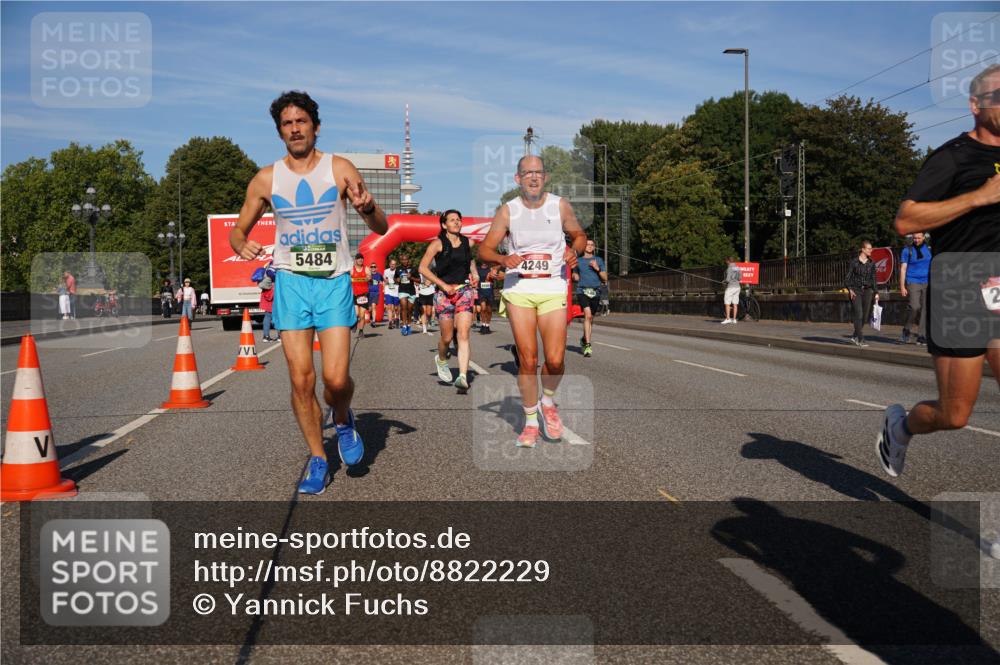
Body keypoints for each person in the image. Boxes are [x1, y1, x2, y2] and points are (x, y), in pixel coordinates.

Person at [229, 90, 388, 495]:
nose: (295, 129)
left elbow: (382, 228)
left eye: (302, 121)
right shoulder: (266, 179)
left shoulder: (340, 169)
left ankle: (343, 417)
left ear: (315, 126)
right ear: (279, 131)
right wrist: (239, 244)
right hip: (291, 284)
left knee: (335, 379)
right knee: (302, 380)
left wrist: (368, 207)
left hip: (333, 281)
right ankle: (318, 457)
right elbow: (236, 231)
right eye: (287, 123)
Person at [878, 64, 1000, 501]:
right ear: (976, 105)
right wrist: (979, 197)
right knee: (955, 414)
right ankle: (901, 425)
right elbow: (906, 220)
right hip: (961, 285)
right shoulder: (953, 157)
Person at [478, 155, 587, 447]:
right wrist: (502, 257)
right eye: (527, 173)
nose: (534, 177)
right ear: (518, 179)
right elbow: (485, 250)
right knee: (529, 359)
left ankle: (547, 402)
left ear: (546, 177)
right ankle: (529, 423)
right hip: (519, 289)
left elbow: (578, 234)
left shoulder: (559, 205)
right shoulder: (508, 211)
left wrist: (573, 249)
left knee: (555, 359)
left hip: (553, 287)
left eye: (538, 172)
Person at [420, 210, 478, 393]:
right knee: (446, 337)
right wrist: (443, 285)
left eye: (459, 220)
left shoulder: (468, 242)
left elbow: (469, 261)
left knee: (463, 333)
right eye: (452, 220)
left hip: (464, 291)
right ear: (444, 225)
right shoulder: (437, 244)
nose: (457, 222)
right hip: (444, 294)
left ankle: (462, 376)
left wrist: (474, 273)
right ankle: (442, 359)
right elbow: (422, 267)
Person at [573, 239, 608, 356]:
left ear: (594, 247)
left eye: (592, 245)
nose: (589, 246)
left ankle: (584, 339)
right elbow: (575, 274)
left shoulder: (598, 260)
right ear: (584, 247)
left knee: (590, 319)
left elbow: (605, 278)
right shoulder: (578, 261)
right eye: (587, 244)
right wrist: (575, 276)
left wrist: (597, 268)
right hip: (582, 291)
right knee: (587, 315)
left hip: (595, 292)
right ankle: (588, 345)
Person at [899, 233, 931, 345]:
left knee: (925, 309)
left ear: (923, 237)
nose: (916, 240)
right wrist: (902, 286)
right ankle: (906, 329)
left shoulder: (929, 249)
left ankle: (922, 336)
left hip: (927, 282)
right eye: (915, 238)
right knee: (914, 307)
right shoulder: (907, 250)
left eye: (919, 238)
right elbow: (903, 269)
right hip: (913, 281)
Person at [843, 241, 876, 347]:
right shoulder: (854, 262)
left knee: (865, 317)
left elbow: (874, 279)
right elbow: (847, 278)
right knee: (859, 315)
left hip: (868, 291)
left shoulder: (872, 263)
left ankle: (854, 336)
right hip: (855, 291)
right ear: (863, 249)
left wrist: (876, 292)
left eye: (871, 248)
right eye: (869, 248)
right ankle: (860, 339)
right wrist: (850, 289)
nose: (871, 250)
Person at [476, 260, 501, 334]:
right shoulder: (477, 270)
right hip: (481, 291)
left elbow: (497, 277)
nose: (484, 262)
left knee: (489, 310)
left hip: (489, 291)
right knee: (483, 308)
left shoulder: (491, 269)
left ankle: (487, 325)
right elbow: (474, 278)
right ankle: (483, 325)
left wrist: (493, 277)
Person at [350, 253, 371, 338]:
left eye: (362, 258)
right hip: (355, 294)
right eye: (359, 258)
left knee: (362, 315)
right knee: (356, 313)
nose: (360, 260)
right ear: (356, 260)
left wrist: (368, 278)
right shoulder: (352, 269)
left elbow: (369, 276)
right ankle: (354, 323)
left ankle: (361, 331)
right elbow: (347, 278)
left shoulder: (366, 269)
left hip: (364, 295)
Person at [396, 255, 417, 335]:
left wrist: (411, 277)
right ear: (401, 261)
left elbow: (419, 280)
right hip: (402, 290)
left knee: (410, 309)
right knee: (404, 307)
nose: (404, 261)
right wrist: (397, 280)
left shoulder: (414, 269)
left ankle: (409, 324)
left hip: (411, 291)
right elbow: (396, 278)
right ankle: (404, 326)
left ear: (408, 260)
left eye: (406, 260)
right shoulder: (398, 269)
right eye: (403, 260)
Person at [721, 256, 741, 325]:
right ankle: (734, 319)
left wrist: (724, 281)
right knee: (735, 303)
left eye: (726, 261)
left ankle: (728, 318)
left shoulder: (729, 268)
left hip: (730, 287)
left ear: (728, 261)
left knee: (727, 303)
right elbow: (740, 278)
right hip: (737, 287)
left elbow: (728, 279)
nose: (726, 263)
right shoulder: (737, 267)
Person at [259, 273, 278, 341]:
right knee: (277, 318)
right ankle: (279, 336)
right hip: (275, 301)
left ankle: (266, 336)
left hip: (267, 303)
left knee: (267, 318)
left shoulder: (266, 283)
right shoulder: (275, 284)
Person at [383, 258, 400, 329]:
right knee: (389, 307)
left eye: (394, 264)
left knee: (396, 308)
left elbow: (400, 280)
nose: (392, 265)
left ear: (396, 265)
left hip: (396, 291)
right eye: (391, 264)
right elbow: (384, 279)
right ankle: (390, 322)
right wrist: (384, 288)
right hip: (388, 291)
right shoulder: (386, 271)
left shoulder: (398, 271)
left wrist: (396, 280)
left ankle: (397, 319)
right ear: (389, 264)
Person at [367, 261, 382, 328]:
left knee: (373, 306)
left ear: (376, 268)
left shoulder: (379, 275)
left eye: (374, 267)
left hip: (376, 293)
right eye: (372, 267)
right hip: (369, 293)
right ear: (370, 268)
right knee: (369, 309)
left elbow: (382, 281)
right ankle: (371, 316)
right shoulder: (368, 275)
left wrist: (383, 285)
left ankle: (373, 321)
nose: (373, 268)